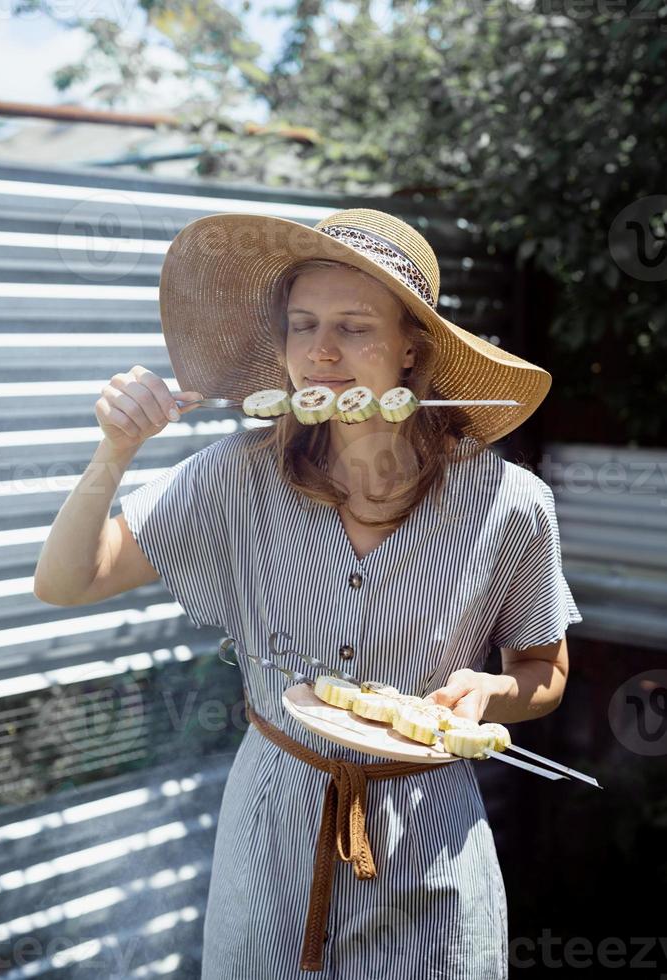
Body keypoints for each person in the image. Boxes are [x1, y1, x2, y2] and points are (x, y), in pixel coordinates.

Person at [33, 208, 583, 978]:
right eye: (302, 325)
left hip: (429, 843)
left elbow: (545, 672)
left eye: (355, 328)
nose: (320, 353)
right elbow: (67, 581)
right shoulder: (238, 474)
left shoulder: (510, 503)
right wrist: (114, 452)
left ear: (411, 349)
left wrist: (492, 693)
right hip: (272, 837)